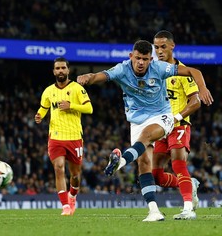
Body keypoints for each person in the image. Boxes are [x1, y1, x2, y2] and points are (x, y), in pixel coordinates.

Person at [77, 40, 213, 221]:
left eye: (145, 59)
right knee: (144, 166)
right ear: (131, 56)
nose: (141, 62)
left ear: (151, 60)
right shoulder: (122, 69)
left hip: (162, 117)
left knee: (149, 139)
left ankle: (121, 162)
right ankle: (154, 211)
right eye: (138, 58)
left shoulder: (160, 68)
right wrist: (88, 77)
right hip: (136, 120)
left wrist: (202, 88)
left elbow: (194, 71)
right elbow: (100, 75)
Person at [152, 30, 202, 220]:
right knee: (156, 175)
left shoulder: (183, 72)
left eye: (163, 46)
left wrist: (176, 118)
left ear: (172, 46)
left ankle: (188, 209)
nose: (159, 51)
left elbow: (195, 101)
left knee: (178, 164)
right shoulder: (154, 71)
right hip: (160, 128)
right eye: (156, 47)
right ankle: (191, 183)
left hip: (179, 125)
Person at [35, 57, 93, 216]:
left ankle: (72, 196)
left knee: (75, 175)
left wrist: (71, 106)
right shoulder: (48, 91)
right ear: (53, 71)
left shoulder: (77, 88)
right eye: (57, 68)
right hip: (56, 137)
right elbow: (43, 108)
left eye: (63, 68)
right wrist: (39, 116)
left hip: (74, 137)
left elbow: (89, 108)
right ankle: (65, 206)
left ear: (68, 70)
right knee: (59, 168)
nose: (60, 71)